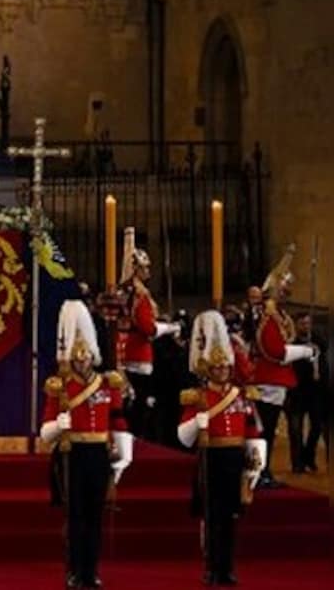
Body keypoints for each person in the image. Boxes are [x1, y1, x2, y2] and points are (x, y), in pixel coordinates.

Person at [39, 300, 134, 590]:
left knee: (95, 517)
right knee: (75, 515)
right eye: (76, 358)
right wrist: (59, 426)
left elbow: (117, 421)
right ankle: (74, 570)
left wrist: (122, 456)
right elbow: (44, 432)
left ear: (93, 356)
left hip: (98, 455)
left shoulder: (108, 384)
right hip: (72, 455)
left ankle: (91, 571)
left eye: (86, 357)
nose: (81, 362)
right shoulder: (60, 387)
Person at [177, 310, 267, 587]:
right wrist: (197, 423)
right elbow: (183, 437)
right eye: (217, 368)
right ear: (208, 369)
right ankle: (212, 566)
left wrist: (256, 461)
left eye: (225, 367)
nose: (222, 371)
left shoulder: (240, 396)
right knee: (212, 516)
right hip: (211, 457)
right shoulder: (198, 397)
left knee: (230, 518)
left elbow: (252, 429)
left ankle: (227, 567)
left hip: (235, 459)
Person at [250, 245, 319, 488]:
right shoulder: (268, 319)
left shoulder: (278, 316)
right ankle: (260, 472)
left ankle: (264, 471)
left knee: (269, 431)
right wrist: (305, 351)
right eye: (284, 290)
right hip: (268, 378)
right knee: (265, 431)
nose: (286, 294)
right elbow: (276, 352)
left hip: (276, 380)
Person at [115, 227, 182, 441]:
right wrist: (171, 328)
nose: (149, 273)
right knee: (141, 404)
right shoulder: (140, 295)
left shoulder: (122, 291)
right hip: (139, 353)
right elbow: (149, 329)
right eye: (145, 268)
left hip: (122, 350)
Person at [287, 312, 327, 474]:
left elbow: (324, 350)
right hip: (296, 392)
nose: (306, 326)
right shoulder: (291, 342)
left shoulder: (317, 340)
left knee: (317, 426)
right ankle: (297, 463)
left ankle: (309, 456)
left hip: (315, 392)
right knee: (295, 429)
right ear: (296, 325)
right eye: (303, 323)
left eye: (308, 323)